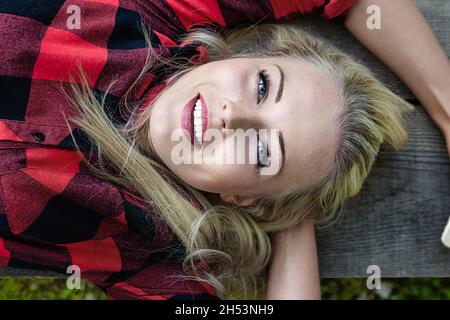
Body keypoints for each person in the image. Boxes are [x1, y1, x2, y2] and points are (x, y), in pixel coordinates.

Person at [0, 0, 448, 300]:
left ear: (243, 199)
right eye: (261, 85)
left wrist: (289, 217)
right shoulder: (149, 13)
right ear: (238, 56)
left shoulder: (152, 252)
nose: (234, 117)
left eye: (261, 151)